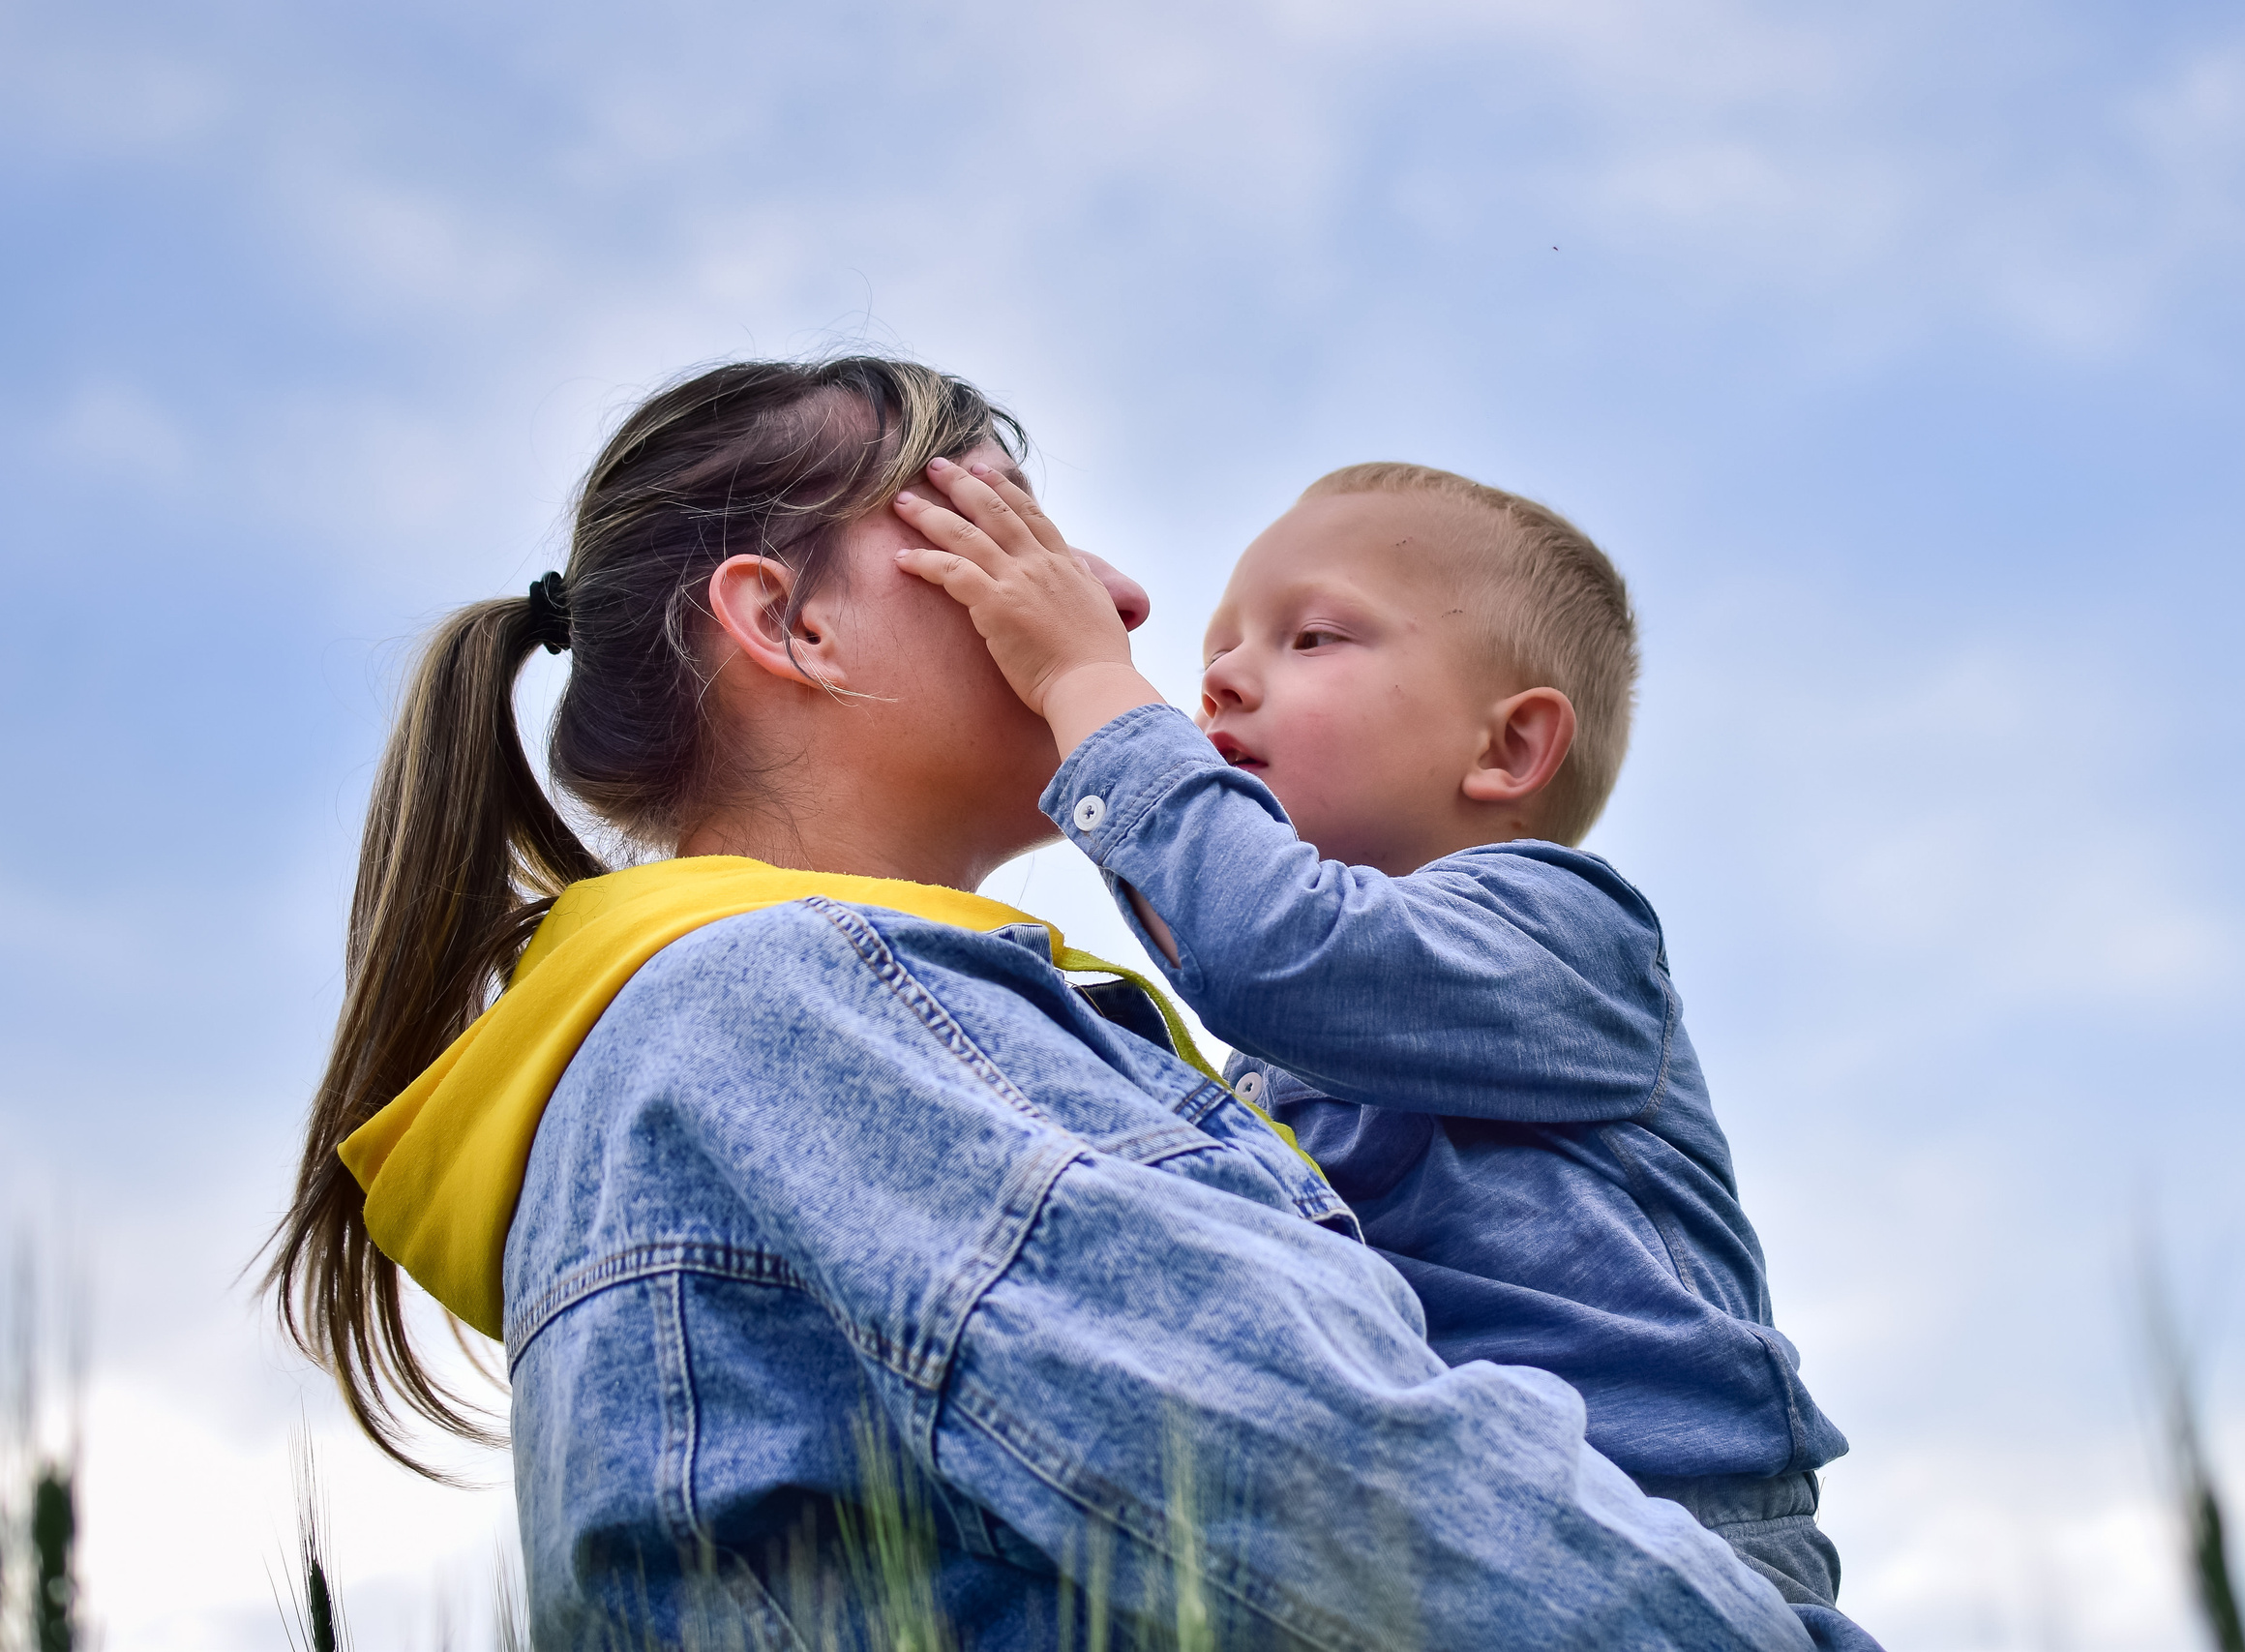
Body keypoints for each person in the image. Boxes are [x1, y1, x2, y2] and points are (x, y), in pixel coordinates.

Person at [262, 357, 1814, 1650]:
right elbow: (1337, 1479)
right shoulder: (802, 1002)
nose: (1124, 600)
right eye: (998, 524)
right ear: (790, 624)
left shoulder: (752, 1019)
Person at [892, 458, 1879, 1651]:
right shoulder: (1283, 1038)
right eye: (1220, 648)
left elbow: (1266, 938)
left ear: (1509, 749)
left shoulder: (1563, 932)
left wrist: (1087, 681)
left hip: (1674, 1550)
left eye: (1309, 638)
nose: (1220, 677)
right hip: (1432, 1543)